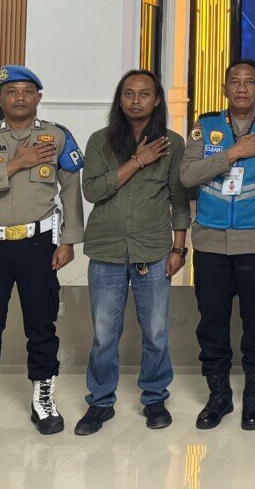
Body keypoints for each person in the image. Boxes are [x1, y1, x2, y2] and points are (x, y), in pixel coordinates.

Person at [0, 65, 85, 446]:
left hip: (37, 245)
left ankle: (44, 401)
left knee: (42, 324)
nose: (19, 97)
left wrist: (69, 240)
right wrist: (15, 164)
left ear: (38, 97)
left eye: (27, 91)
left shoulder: (56, 137)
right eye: (11, 91)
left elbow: (71, 191)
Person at [179, 58, 255, 431]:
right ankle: (218, 396)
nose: (242, 88)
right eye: (235, 81)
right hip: (211, 243)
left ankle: (254, 395)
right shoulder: (205, 128)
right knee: (212, 322)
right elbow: (187, 175)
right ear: (224, 89)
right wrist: (232, 153)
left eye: (250, 82)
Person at [74, 70, 191, 435]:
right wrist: (137, 161)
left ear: (157, 101)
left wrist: (179, 248)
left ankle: (154, 397)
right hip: (106, 250)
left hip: (152, 251)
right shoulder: (100, 141)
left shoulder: (172, 144)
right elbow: (92, 191)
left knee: (155, 332)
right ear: (120, 100)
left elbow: (179, 201)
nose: (136, 100)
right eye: (129, 94)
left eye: (144, 94)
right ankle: (100, 401)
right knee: (104, 334)